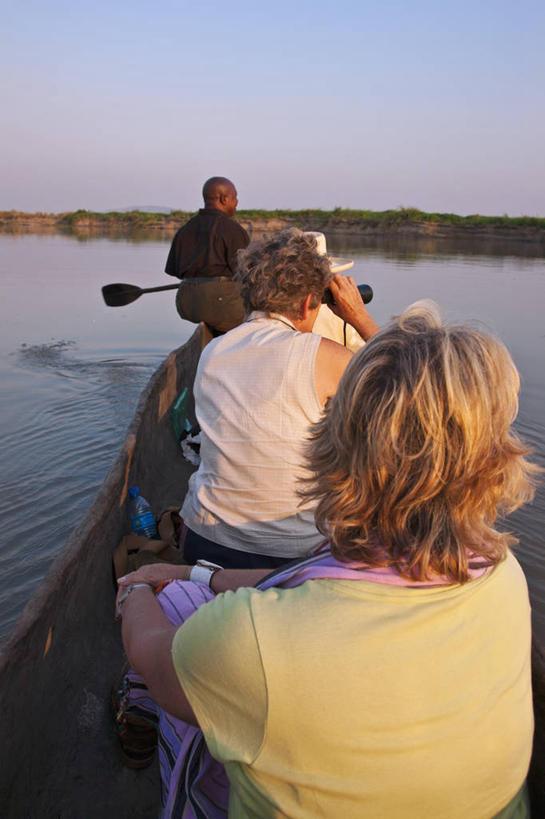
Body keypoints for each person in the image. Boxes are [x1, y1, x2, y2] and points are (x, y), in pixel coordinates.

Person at [116, 300, 538, 818]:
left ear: (334, 444)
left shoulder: (254, 638)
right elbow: (311, 581)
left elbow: (154, 659)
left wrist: (138, 587)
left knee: (178, 630)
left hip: (229, 636)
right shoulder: (502, 573)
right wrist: (199, 573)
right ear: (491, 457)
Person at [180, 228, 380, 568]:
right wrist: (359, 317)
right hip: (292, 553)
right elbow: (411, 386)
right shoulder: (325, 356)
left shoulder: (213, 350)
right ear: (307, 304)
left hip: (204, 541)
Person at [165, 176, 250, 334]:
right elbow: (246, 273)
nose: (237, 202)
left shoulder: (185, 229)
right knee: (257, 316)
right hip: (220, 302)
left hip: (187, 303)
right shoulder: (232, 229)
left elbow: (175, 272)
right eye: (235, 197)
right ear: (224, 199)